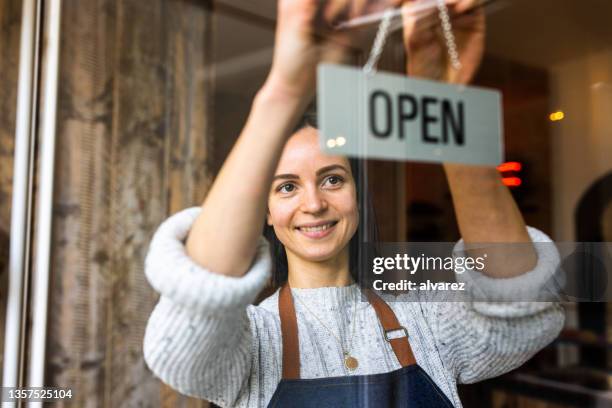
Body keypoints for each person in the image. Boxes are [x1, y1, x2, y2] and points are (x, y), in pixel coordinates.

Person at [143, 1, 565, 407]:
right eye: (286, 187)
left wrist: (444, 106)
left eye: (332, 179)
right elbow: (183, 340)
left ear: (357, 199)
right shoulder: (253, 340)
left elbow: (522, 308)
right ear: (265, 214)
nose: (314, 203)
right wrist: (285, 90)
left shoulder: (428, 323)